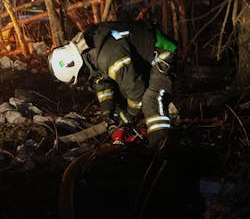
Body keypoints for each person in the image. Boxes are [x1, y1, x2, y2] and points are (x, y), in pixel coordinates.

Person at [48, 21, 178, 151]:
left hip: (162, 52)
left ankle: (161, 150)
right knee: (121, 96)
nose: (84, 76)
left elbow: (136, 90)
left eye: (82, 73)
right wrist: (108, 114)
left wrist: (128, 117)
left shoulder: (107, 56)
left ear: (75, 64)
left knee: (151, 100)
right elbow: (102, 83)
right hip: (142, 60)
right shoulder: (89, 51)